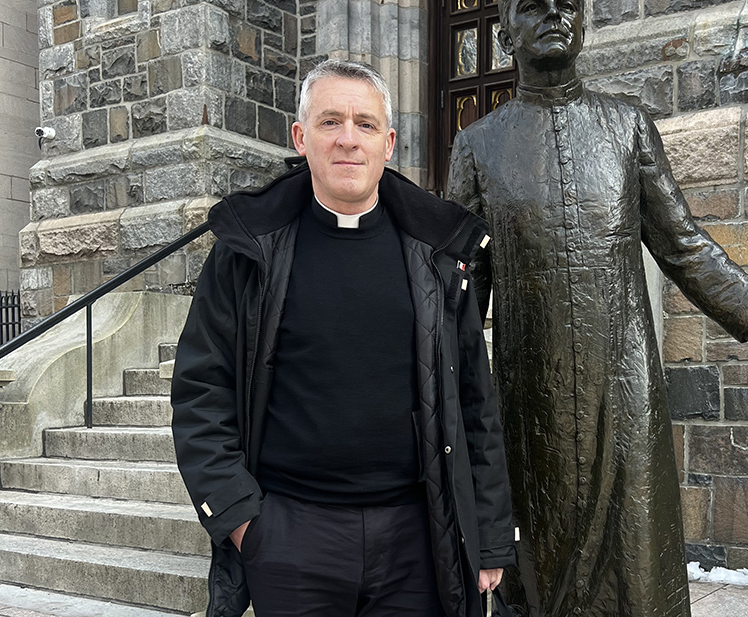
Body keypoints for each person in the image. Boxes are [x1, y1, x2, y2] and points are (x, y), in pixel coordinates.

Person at [447, 0, 748, 617]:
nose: (554, 17)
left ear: (583, 23)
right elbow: (460, 292)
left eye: (567, 5)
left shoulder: (627, 127)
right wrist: (446, 400)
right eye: (534, 7)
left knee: (635, 570)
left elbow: (685, 246)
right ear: (505, 34)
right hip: (531, 400)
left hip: (623, 390)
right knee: (541, 571)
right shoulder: (478, 147)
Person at [171, 59, 515, 617]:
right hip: (290, 538)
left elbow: (475, 400)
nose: (348, 140)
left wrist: (491, 534)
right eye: (330, 122)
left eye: (366, 124)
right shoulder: (249, 251)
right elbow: (201, 391)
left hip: (416, 539)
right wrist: (243, 523)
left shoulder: (437, 255)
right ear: (301, 138)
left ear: (389, 143)